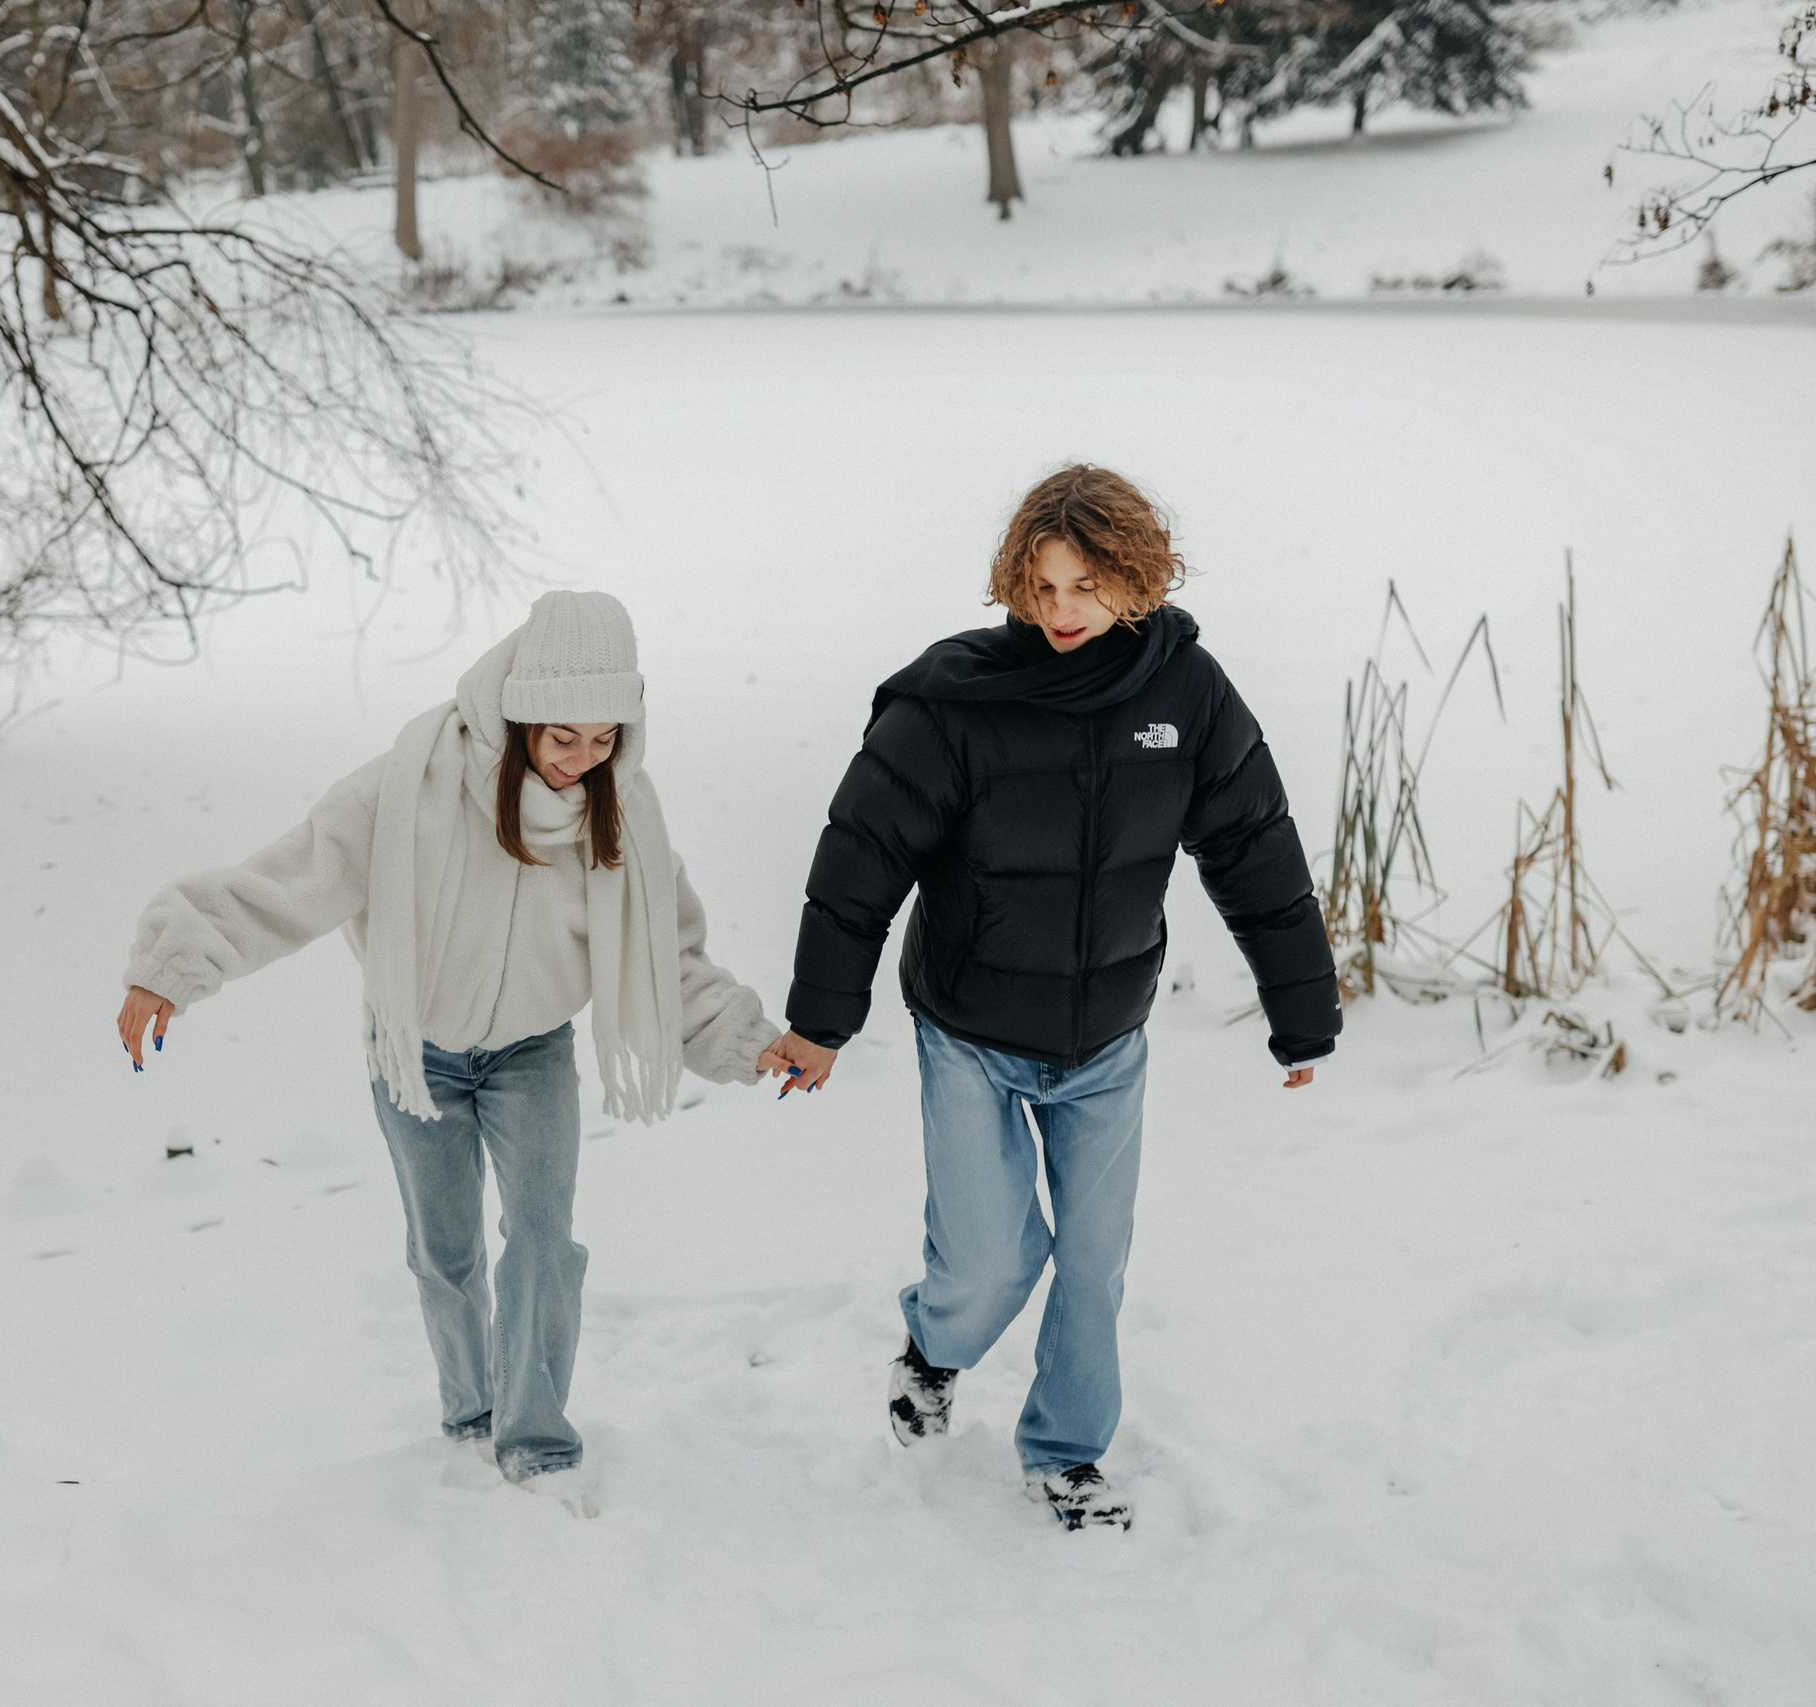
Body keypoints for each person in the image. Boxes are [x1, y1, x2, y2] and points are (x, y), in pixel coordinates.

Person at [118, 591, 791, 1512]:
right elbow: (291, 878)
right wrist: (175, 961)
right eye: (562, 737)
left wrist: (752, 1042)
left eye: (604, 739)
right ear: (517, 714)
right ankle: (470, 1410)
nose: (581, 760)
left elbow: (670, 958)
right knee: (444, 1253)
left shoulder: (622, 813)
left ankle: (537, 1437)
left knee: (543, 1244)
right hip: (415, 1052)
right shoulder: (409, 782)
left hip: (532, 1054)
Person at [767, 466, 1340, 1532]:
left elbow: (1257, 850)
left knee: (1091, 1263)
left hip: (1105, 1037)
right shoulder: (954, 702)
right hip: (972, 1030)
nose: (1063, 610)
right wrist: (819, 1020)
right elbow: (859, 861)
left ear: (1137, 579)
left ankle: (1066, 1454)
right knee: (990, 1261)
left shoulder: (1187, 695)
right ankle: (934, 1349)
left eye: (1086, 585)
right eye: (1041, 586)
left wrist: (1301, 1012)